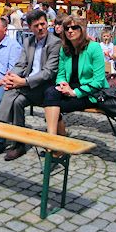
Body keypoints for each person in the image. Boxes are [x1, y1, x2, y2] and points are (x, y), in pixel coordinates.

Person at [0, 9, 61, 161]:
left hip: (45, 88)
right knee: (15, 98)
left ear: (47, 23)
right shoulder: (28, 41)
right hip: (27, 85)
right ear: (30, 28)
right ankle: (18, 144)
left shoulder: (55, 43)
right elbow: (20, 64)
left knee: (11, 92)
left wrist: (22, 82)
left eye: (43, 24)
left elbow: (48, 72)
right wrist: (11, 77)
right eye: (36, 25)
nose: (40, 28)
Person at [43, 16, 108, 144]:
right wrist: (62, 84)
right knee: (50, 93)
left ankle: (53, 142)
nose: (70, 31)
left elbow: (98, 81)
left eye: (74, 27)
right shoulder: (64, 49)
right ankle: (54, 140)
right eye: (67, 28)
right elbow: (61, 74)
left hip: (89, 92)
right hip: (69, 87)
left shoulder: (94, 48)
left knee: (53, 107)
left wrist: (74, 92)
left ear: (82, 29)